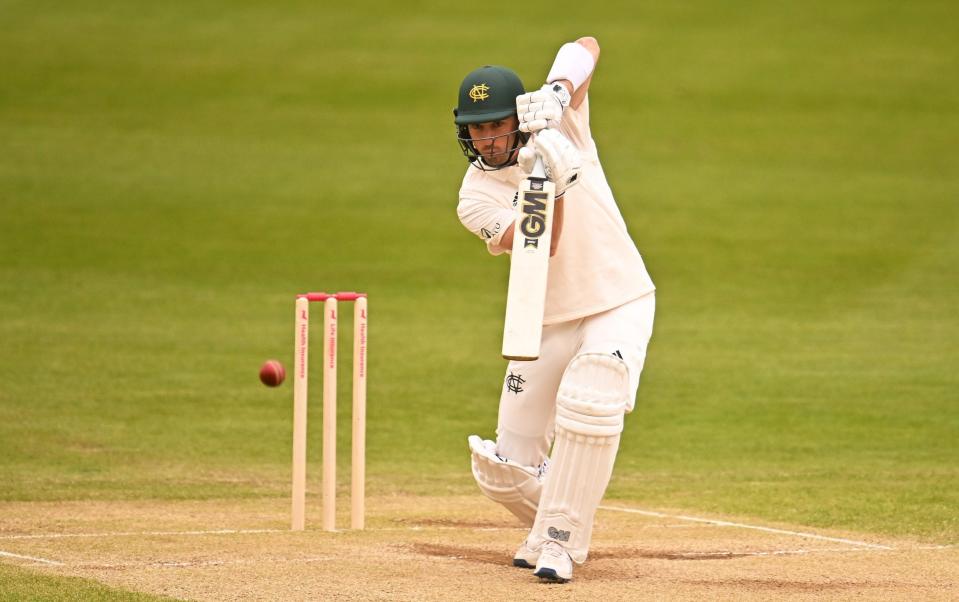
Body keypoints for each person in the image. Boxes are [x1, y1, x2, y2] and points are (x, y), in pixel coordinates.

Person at [453, 37, 657, 583]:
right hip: (543, 319)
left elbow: (584, 44)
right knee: (504, 470)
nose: (488, 139)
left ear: (516, 118)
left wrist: (559, 93)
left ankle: (561, 542)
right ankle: (556, 518)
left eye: (496, 125)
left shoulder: (560, 125)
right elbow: (540, 248)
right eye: (477, 129)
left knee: (592, 396)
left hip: (617, 297)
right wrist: (554, 185)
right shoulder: (476, 195)